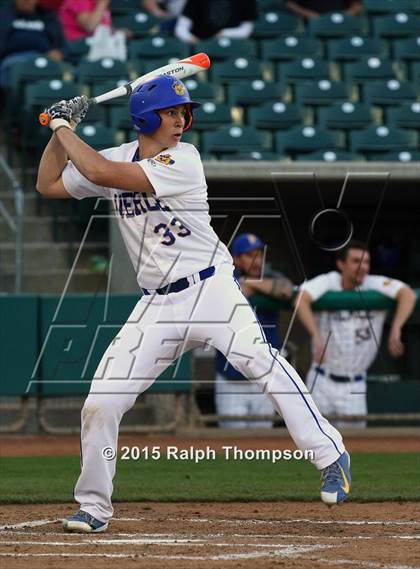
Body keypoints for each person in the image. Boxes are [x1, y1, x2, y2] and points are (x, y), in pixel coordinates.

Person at [36, 75, 351, 533]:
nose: (182, 119)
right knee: (100, 403)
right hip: (156, 305)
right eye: (171, 112)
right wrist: (57, 134)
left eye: (184, 112)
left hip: (211, 289)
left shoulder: (184, 160)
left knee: (257, 359)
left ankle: (330, 452)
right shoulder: (117, 155)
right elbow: (48, 184)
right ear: (145, 116)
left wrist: (64, 127)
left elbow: (102, 175)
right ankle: (94, 506)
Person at [295, 240, 416, 428]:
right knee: (314, 445)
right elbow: (300, 298)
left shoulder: (374, 283)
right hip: (321, 380)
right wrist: (316, 336)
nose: (363, 267)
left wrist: (396, 328)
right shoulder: (329, 281)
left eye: (366, 262)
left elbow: (408, 294)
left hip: (355, 385)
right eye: (356, 261)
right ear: (341, 264)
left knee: (353, 448)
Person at [215, 232, 294, 428]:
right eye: (249, 255)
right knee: (233, 447)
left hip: (263, 380)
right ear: (236, 259)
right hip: (231, 380)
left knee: (262, 443)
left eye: (258, 254)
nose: (256, 260)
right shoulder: (225, 277)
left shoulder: (269, 276)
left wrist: (252, 284)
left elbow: (286, 289)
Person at [0, 0, 65, 87]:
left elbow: (63, 45)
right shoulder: (4, 15)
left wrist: (58, 52)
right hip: (12, 58)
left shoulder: (48, 16)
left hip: (44, 58)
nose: (26, 1)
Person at [175, 0, 257, 44]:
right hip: (200, 46)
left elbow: (246, 30)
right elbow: (181, 29)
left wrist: (224, 33)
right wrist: (191, 39)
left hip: (234, 46)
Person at [285, 0, 362, 20]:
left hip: (341, 23)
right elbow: (290, 4)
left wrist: (344, 17)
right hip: (310, 24)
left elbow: (357, 5)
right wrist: (309, 15)